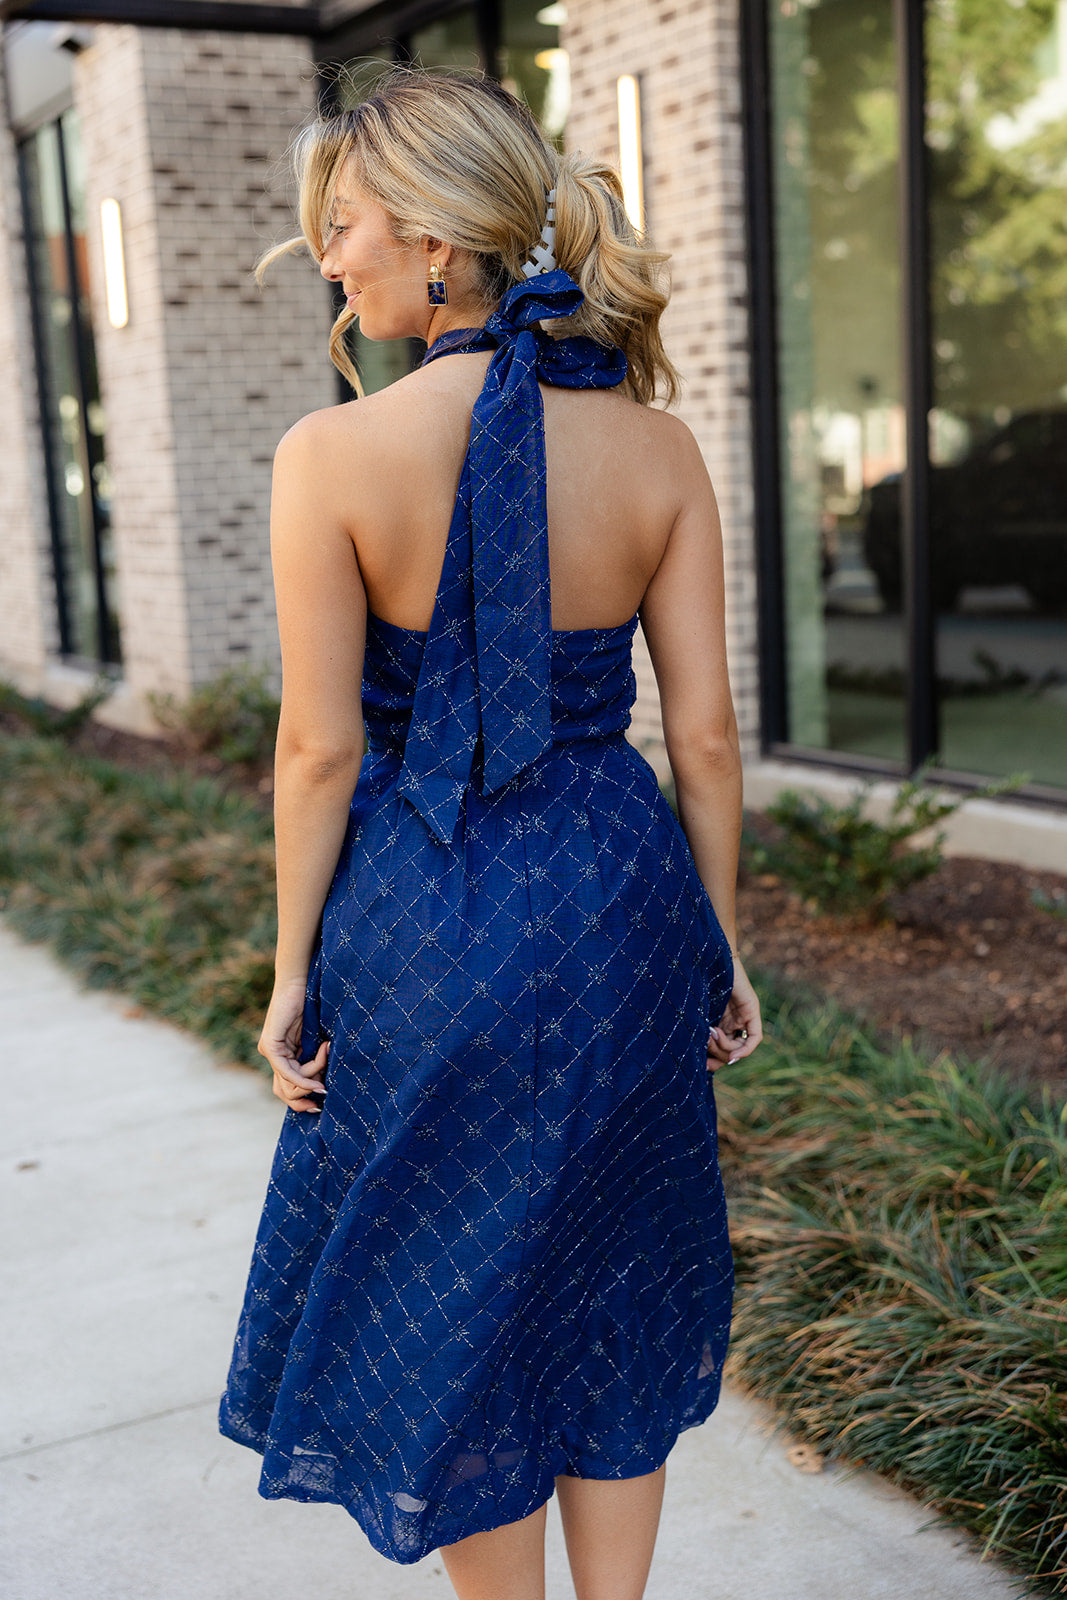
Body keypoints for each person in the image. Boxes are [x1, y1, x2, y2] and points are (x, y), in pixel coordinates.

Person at [218, 62, 762, 1600]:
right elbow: (706, 737)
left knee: (456, 1297)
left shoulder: (331, 457)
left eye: (344, 226)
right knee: (612, 1276)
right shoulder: (659, 451)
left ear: (439, 245)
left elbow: (322, 749)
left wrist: (286, 976)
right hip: (620, 906)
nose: (331, 259)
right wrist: (718, 941)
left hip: (426, 914)